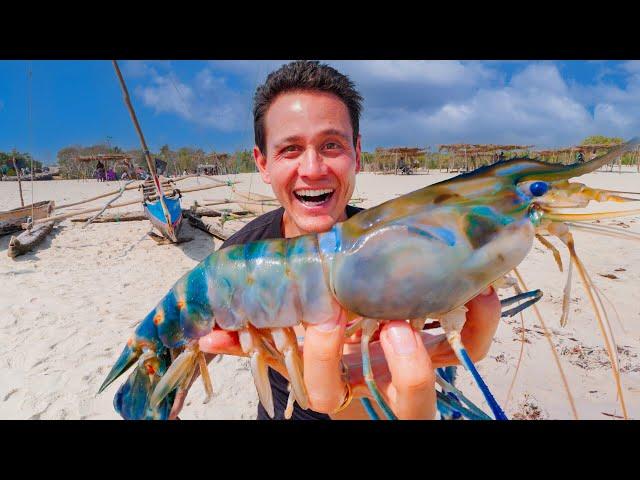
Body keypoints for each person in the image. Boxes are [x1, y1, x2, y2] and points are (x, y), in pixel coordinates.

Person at [171, 61, 501, 420]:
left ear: (357, 154)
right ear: (262, 163)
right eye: (290, 149)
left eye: (331, 145)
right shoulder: (237, 256)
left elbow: (435, 353)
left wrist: (440, 366)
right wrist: (172, 392)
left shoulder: (402, 248)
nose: (312, 169)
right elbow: (194, 341)